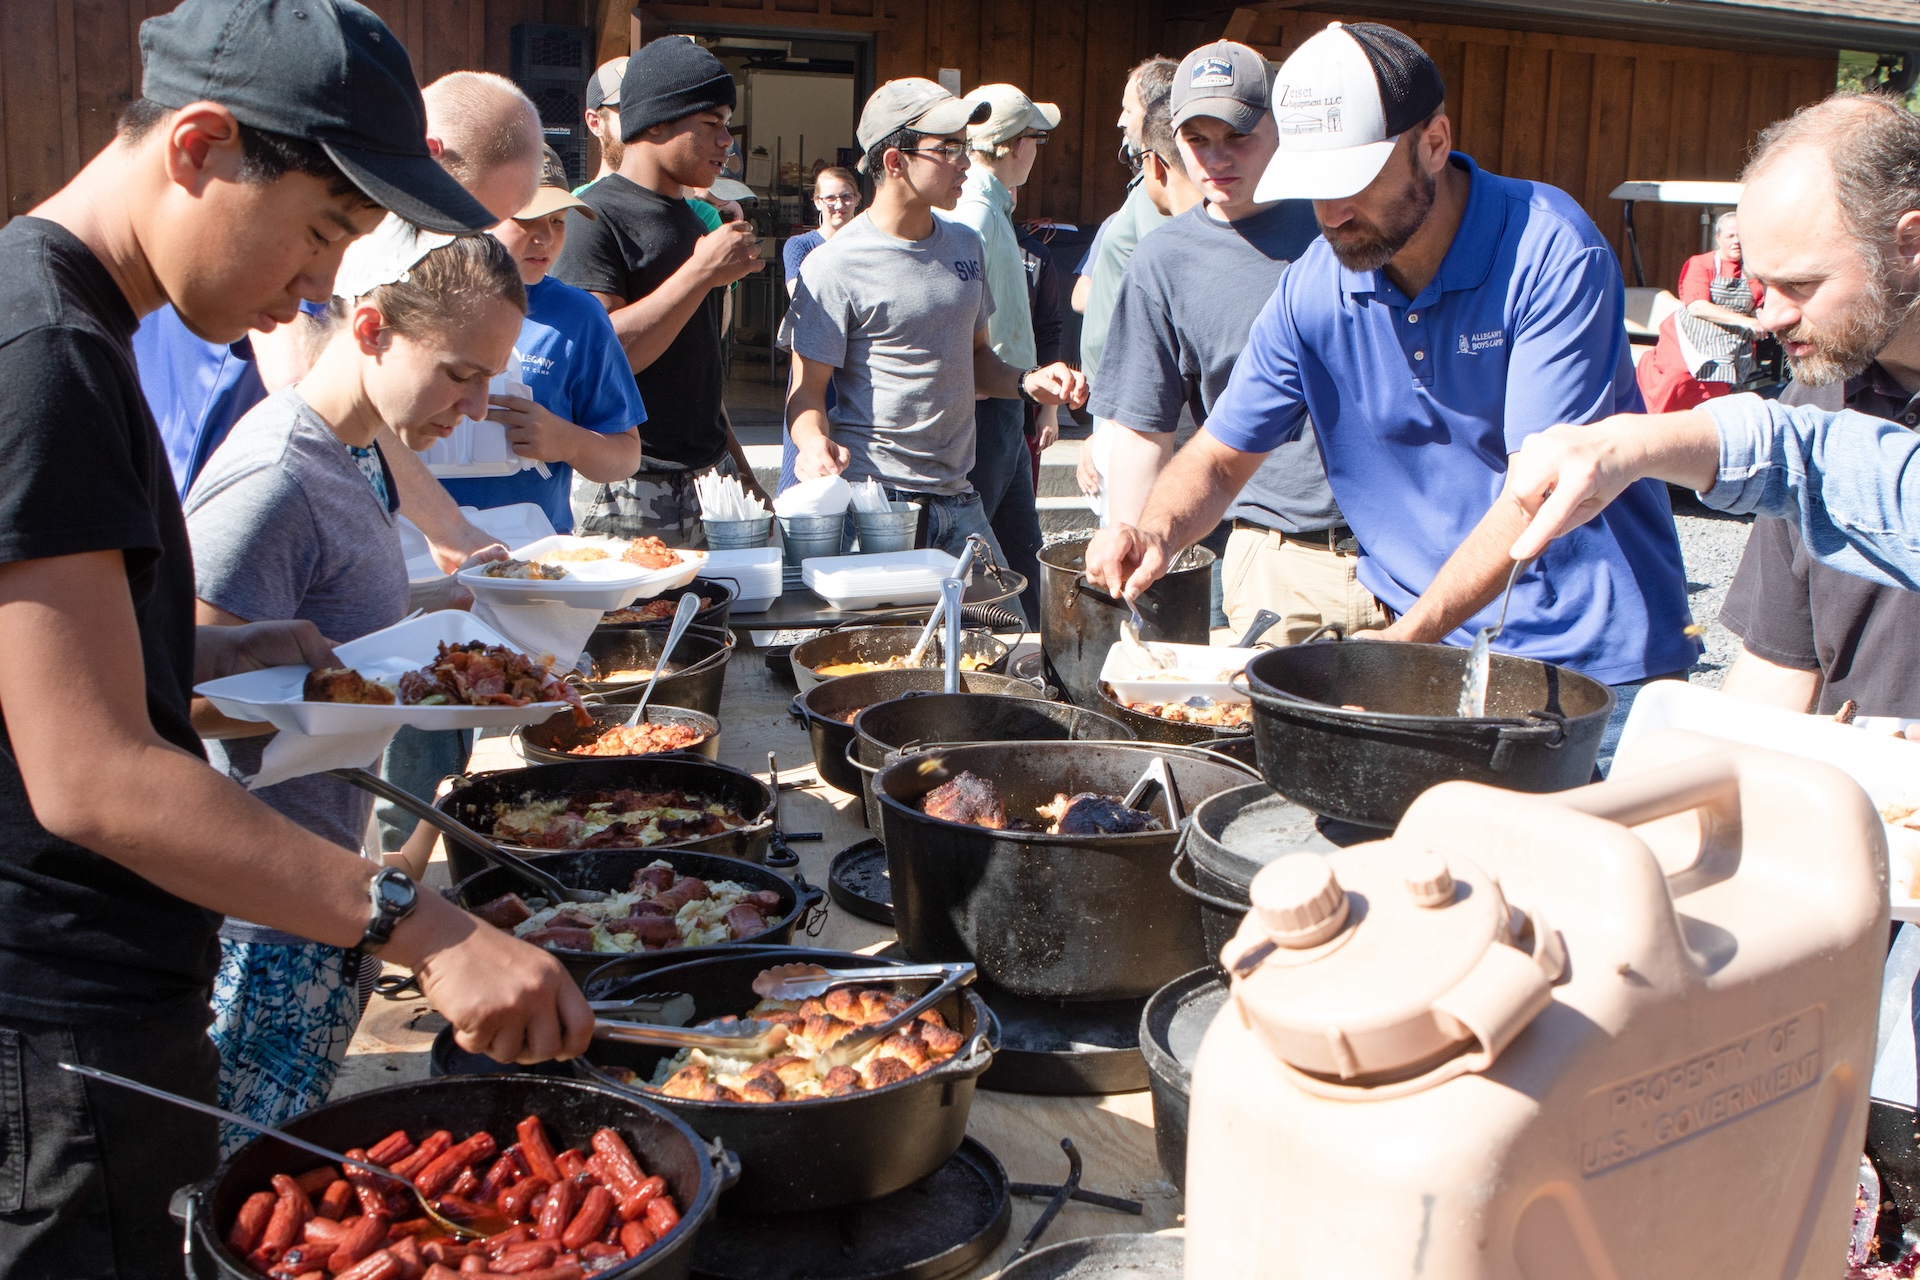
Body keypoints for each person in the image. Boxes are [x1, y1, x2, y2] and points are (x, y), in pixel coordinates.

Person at [0, 1, 589, 1269]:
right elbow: (90, 774)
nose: (322, 284)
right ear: (200, 146)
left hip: (103, 1002)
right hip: (54, 1029)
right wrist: (420, 927)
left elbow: (63, 680)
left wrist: (213, 653)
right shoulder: (44, 352)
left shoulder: (74, 331)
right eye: (323, 229)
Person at [1086, 22, 1695, 767]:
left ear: (1435, 142)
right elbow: (1217, 456)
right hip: (1431, 655)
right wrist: (1154, 531)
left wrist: (1403, 644)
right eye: (1314, 186)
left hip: (1589, 664)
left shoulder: (1547, 248)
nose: (1331, 211)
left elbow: (1538, 491)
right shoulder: (1316, 284)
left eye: (1354, 180)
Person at [187, 232, 527, 1152]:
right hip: (256, 918)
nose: (478, 406)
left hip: (326, 880)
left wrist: (443, 601)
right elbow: (172, 693)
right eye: (461, 374)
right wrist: (354, 691)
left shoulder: (361, 448)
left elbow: (323, 616)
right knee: (241, 1182)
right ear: (370, 329)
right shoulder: (272, 478)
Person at [781, 78, 1087, 567]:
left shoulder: (966, 245)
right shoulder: (833, 264)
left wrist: (1031, 383)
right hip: (875, 506)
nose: (965, 161)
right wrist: (814, 443)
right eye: (947, 149)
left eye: (964, 146)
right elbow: (806, 392)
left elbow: (978, 360)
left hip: (961, 499)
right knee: (888, 645)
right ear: (894, 161)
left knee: (1002, 635)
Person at [1092, 41, 1339, 643]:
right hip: (1271, 557)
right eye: (1196, 139)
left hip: (1397, 554)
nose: (1215, 158)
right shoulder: (1162, 260)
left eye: (1237, 135)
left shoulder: (1344, 223)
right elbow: (1142, 428)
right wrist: (1128, 537)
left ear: (1280, 128)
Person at [1705, 97, 1920, 720]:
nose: (1769, 316)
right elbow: (1780, 663)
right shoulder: (1814, 396)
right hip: (1849, 800)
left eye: (1801, 285)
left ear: (1909, 242)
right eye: (1761, 284)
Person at [557, 37, 768, 544]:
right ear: (655, 121)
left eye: (728, 125)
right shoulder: (590, 217)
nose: (728, 142)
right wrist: (699, 274)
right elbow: (604, 357)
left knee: (718, 625)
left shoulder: (697, 220)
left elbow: (700, 371)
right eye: (711, 123)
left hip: (710, 479)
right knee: (637, 626)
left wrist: (741, 470)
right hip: (628, 487)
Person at [438, 149, 646, 532]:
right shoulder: (416, 296)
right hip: (418, 555)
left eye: (558, 221)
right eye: (527, 218)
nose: (546, 237)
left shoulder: (579, 316)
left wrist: (566, 441)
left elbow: (626, 454)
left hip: (533, 562)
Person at [942, 83, 1061, 623]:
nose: (1038, 152)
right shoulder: (975, 215)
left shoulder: (991, 208)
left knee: (1020, 546)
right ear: (1016, 144)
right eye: (1037, 139)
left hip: (1007, 400)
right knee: (975, 555)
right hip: (987, 403)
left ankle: (1041, 661)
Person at [1075, 56, 1177, 514]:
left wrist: (1116, 422)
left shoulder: (1164, 189)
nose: (1119, 119)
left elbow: (1165, 292)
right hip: (1117, 397)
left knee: (1130, 530)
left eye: (1128, 108)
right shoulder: (1142, 186)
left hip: (1137, 399)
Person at [777, 165, 862, 494]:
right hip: (815, 357)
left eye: (845, 196)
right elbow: (804, 297)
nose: (838, 204)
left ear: (857, 200)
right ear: (816, 202)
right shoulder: (800, 245)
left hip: (854, 364)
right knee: (804, 451)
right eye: (830, 198)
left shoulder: (865, 245)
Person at [1636, 210, 1766, 413]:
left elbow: (1759, 305)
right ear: (1718, 238)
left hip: (1729, 342)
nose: (1736, 242)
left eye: (1741, 236)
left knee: (1719, 381)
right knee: (1679, 376)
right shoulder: (1702, 264)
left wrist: (1762, 320)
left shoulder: (1755, 271)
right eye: (1730, 236)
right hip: (1690, 335)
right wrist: (1744, 320)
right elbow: (1697, 306)